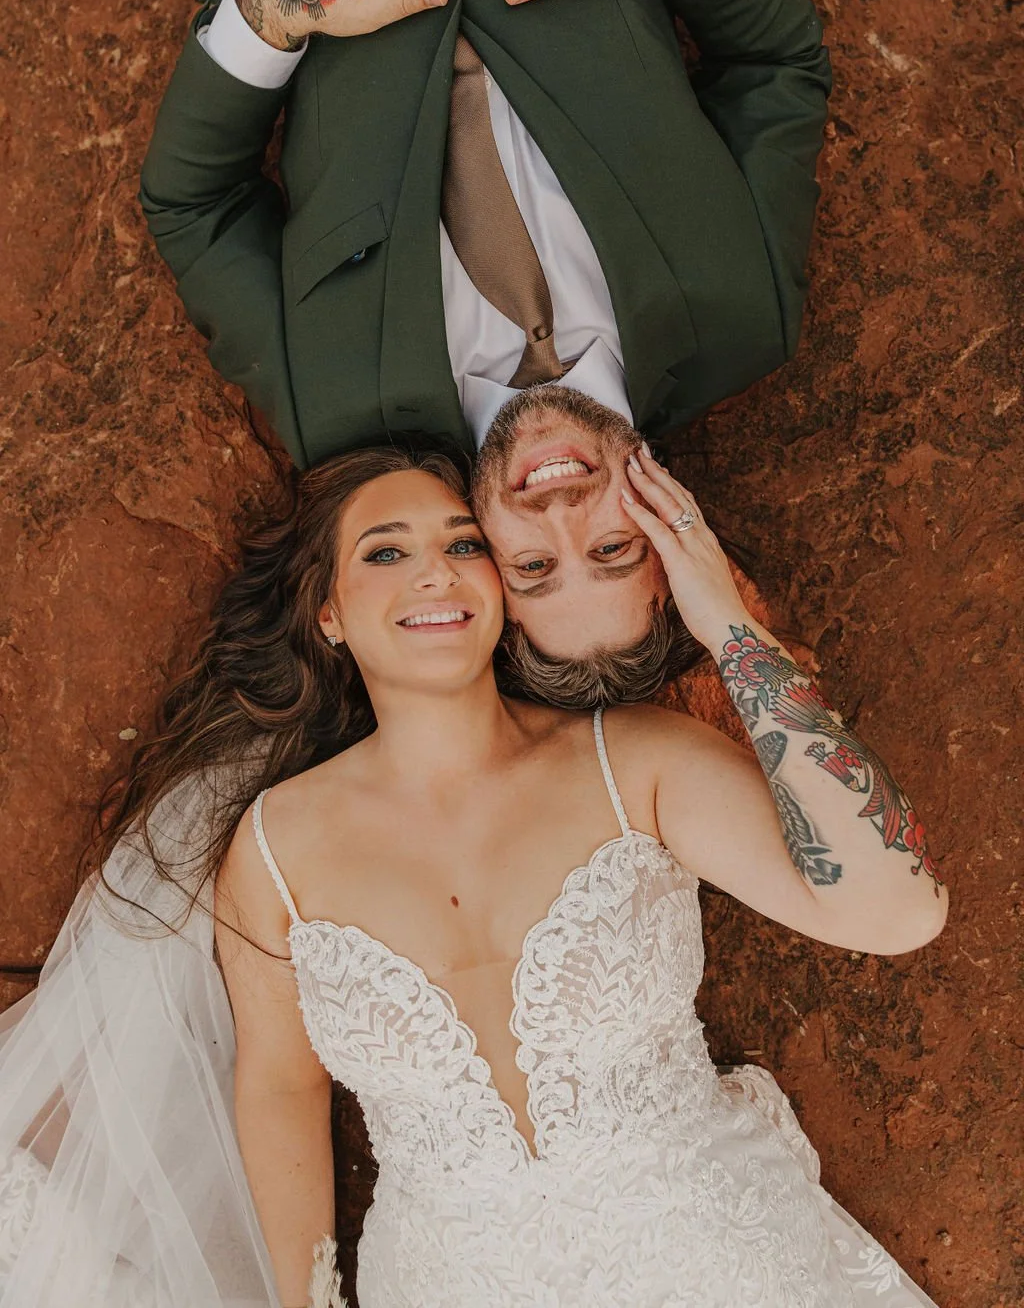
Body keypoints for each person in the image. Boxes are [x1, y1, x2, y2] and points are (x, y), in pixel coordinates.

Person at [0, 444, 945, 1306]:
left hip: (725, 1267)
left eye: (464, 544)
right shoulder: (277, 848)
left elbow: (899, 908)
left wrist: (724, 621)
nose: (436, 571)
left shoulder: (635, 763)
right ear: (328, 612)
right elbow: (282, 1087)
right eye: (386, 551)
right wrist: (306, 1300)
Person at [140, 0, 832, 684]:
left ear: (486, 568)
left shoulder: (336, 408)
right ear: (674, 525)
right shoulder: (745, 308)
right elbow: (779, 62)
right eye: (614, 549)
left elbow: (192, 206)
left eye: (534, 568)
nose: (562, 516)